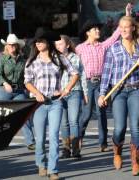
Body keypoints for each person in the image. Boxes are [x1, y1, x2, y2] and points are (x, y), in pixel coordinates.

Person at [77, 4, 131, 152]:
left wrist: (126, 14)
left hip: (102, 83)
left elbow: (116, 35)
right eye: (95, 29)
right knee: (86, 114)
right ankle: (78, 138)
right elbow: (73, 65)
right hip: (87, 83)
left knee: (101, 113)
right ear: (88, 32)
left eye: (98, 29)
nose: (98, 31)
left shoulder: (103, 46)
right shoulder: (80, 48)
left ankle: (103, 143)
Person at [25, 30, 78, 180]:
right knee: (40, 138)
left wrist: (67, 88)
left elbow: (75, 73)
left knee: (54, 136)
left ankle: (53, 169)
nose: (38, 43)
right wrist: (36, 93)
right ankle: (41, 164)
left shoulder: (59, 58)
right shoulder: (32, 61)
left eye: (41, 41)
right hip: (38, 104)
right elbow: (27, 82)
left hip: (56, 102)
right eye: (36, 41)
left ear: (47, 42)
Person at [98, 16, 139, 176]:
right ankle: (117, 151)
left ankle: (135, 161)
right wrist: (102, 94)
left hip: (136, 89)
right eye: (120, 27)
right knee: (120, 127)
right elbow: (107, 73)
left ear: (133, 28)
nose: (123, 30)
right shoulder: (113, 49)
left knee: (136, 126)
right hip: (118, 91)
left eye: (126, 27)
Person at [0, 34, 35, 149]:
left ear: (17, 46)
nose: (12, 46)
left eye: (14, 45)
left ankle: (30, 141)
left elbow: (27, 76)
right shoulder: (2, 59)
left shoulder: (23, 60)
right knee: (2, 117)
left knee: (24, 115)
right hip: (4, 91)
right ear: (6, 46)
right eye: (10, 45)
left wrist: (29, 88)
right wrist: (5, 83)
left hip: (19, 90)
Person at [55, 35, 88, 159]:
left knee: (73, 121)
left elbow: (82, 75)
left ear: (67, 45)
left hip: (74, 92)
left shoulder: (75, 58)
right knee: (64, 123)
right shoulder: (54, 59)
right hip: (59, 94)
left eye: (61, 44)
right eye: (56, 45)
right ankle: (66, 149)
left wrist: (85, 93)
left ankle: (75, 149)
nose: (58, 46)